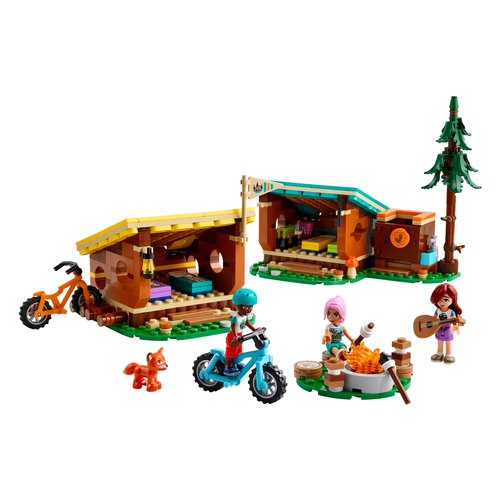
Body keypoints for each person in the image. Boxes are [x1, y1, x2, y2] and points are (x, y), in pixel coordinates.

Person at [224, 288, 257, 375]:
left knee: (238, 351)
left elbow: (247, 324)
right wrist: (235, 337)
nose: (249, 309)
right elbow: (233, 327)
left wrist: (255, 330)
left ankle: (235, 363)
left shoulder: (245, 316)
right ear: (236, 305)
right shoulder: (235, 317)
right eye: (245, 307)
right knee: (231, 352)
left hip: (240, 336)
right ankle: (228, 366)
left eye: (251, 307)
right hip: (233, 336)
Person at [430, 283, 463, 364]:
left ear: (452, 299)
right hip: (438, 328)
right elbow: (433, 318)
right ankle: (439, 353)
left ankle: (448, 354)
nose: (442, 302)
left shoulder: (451, 312)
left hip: (448, 328)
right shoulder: (437, 310)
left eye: (445, 300)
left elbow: (454, 320)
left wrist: (456, 327)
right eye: (439, 299)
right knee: (439, 340)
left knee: (448, 341)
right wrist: (431, 325)